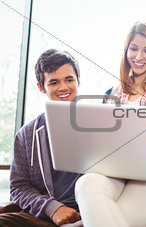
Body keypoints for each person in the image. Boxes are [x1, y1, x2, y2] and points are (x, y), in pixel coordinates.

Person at [75, 21, 146, 227]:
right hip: (116, 174)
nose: (139, 57)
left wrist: (129, 154)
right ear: (126, 50)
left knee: (113, 216)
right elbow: (102, 142)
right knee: (85, 183)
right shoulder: (111, 94)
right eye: (133, 49)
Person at [0, 49, 83, 227]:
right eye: (54, 82)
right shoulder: (26, 135)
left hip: (90, 213)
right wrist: (53, 208)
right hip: (44, 216)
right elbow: (18, 187)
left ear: (78, 81)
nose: (63, 87)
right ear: (41, 87)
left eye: (69, 79)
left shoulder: (101, 124)